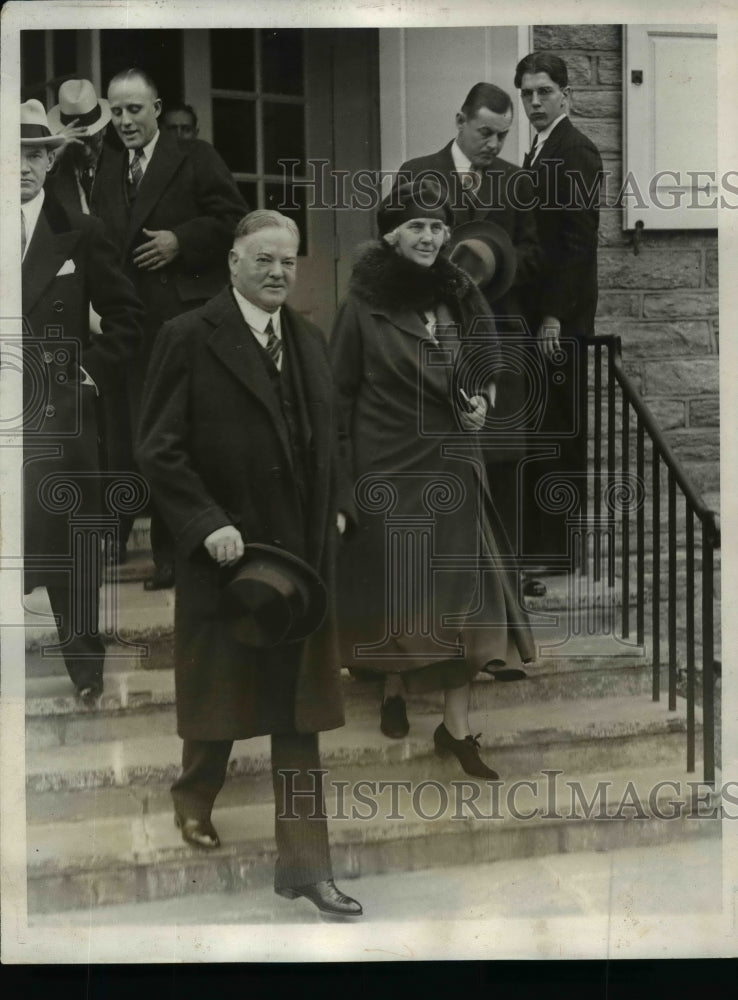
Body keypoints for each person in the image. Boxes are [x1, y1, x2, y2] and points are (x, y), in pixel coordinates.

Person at [136, 210, 362, 920]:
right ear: (232, 261)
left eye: (288, 261)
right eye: (263, 259)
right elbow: (158, 449)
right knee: (219, 697)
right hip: (226, 559)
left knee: (298, 713)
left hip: (299, 563)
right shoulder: (187, 337)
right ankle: (195, 795)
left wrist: (341, 503)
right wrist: (206, 524)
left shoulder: (311, 339)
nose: (277, 272)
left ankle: (306, 867)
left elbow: (336, 436)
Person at [330, 179, 534, 763]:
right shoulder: (362, 308)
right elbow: (338, 398)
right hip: (387, 469)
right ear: (392, 234)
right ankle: (392, 688)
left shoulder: (461, 297)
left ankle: (457, 728)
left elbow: (486, 366)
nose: (429, 237)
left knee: (460, 594)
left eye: (438, 226)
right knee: (401, 586)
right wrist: (343, 484)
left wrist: (482, 401)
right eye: (417, 226)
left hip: (453, 464)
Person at [92, 68, 247, 586]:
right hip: (129, 327)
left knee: (181, 436)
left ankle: (178, 554)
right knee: (138, 438)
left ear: (157, 109)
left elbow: (235, 221)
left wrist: (180, 240)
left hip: (182, 322)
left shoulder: (195, 157)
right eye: (115, 111)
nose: (125, 120)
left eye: (134, 109)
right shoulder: (106, 164)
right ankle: (147, 553)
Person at [396, 83, 546, 596]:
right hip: (434, 331)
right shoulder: (417, 172)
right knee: (445, 450)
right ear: (460, 119)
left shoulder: (516, 181)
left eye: (503, 136)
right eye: (485, 132)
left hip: (498, 328)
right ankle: (450, 568)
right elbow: (392, 242)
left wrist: (491, 264)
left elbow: (532, 250)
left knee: (502, 454)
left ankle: (509, 569)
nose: (493, 145)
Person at [20, 99, 143, 704]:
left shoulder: (79, 231)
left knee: (72, 549)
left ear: (50, 163)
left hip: (60, 415)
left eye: (35, 153)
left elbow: (125, 316)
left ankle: (87, 672)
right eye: (12, 153)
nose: (22, 165)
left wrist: (88, 375)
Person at [514, 52, 603, 569]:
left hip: (560, 322)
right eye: (527, 93)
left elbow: (576, 244)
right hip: (542, 318)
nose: (535, 102)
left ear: (566, 93)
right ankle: (543, 547)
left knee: (559, 430)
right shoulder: (542, 149)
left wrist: (552, 314)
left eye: (544, 92)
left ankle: (559, 551)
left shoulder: (576, 151)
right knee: (541, 427)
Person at [46, 79, 111, 214]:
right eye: (77, 143)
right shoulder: (55, 171)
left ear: (103, 130)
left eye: (92, 141)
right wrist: (55, 154)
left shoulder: (122, 163)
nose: (86, 152)